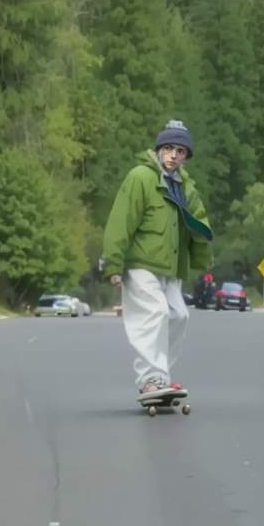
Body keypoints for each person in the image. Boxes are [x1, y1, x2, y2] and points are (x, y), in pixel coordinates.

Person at [101, 120, 214, 398]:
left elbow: (198, 224)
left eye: (180, 151)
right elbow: (120, 221)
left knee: (178, 314)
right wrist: (113, 264)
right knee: (155, 313)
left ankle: (161, 377)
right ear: (159, 149)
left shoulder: (185, 186)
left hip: (170, 267)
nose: (174, 155)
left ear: (186, 156)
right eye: (168, 148)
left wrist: (201, 261)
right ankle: (150, 379)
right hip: (140, 264)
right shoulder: (141, 177)